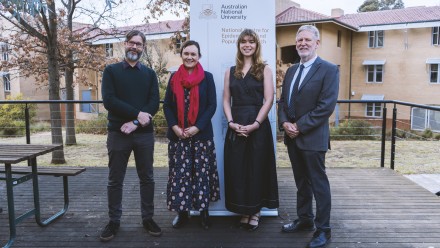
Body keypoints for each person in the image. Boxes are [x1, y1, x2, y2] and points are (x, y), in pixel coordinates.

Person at [278, 25, 339, 248]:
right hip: (292, 138)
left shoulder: (329, 69)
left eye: (307, 40)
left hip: (312, 138)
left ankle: (323, 230)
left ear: (317, 43)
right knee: (301, 182)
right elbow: (283, 101)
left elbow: (326, 107)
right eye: (299, 40)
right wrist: (285, 123)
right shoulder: (292, 70)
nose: (302, 43)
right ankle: (305, 220)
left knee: (318, 184)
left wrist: (299, 126)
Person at [100, 30, 161, 241]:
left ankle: (148, 218)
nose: (134, 47)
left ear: (143, 48)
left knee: (147, 178)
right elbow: (109, 100)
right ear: (125, 44)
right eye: (131, 43)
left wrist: (136, 122)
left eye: (139, 44)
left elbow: (154, 103)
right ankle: (114, 221)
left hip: (143, 135)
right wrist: (136, 114)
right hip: (118, 134)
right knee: (115, 180)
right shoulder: (111, 71)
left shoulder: (150, 74)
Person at [223, 29, 279, 231]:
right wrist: (230, 122)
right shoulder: (230, 71)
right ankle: (244, 210)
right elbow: (226, 100)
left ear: (256, 45)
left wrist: (256, 123)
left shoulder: (265, 69)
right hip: (236, 125)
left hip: (257, 125)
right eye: (243, 42)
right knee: (238, 169)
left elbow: (269, 99)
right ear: (239, 45)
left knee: (256, 169)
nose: (247, 45)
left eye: (251, 42)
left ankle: (255, 212)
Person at [163, 40, 220, 230]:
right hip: (179, 137)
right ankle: (182, 214)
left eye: (193, 54)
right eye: (186, 53)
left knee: (202, 175)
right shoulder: (173, 78)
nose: (189, 57)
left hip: (201, 136)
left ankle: (204, 212)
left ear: (199, 56)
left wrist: (198, 127)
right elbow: (167, 106)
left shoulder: (208, 77)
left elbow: (212, 105)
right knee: (180, 176)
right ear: (181, 55)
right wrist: (174, 127)